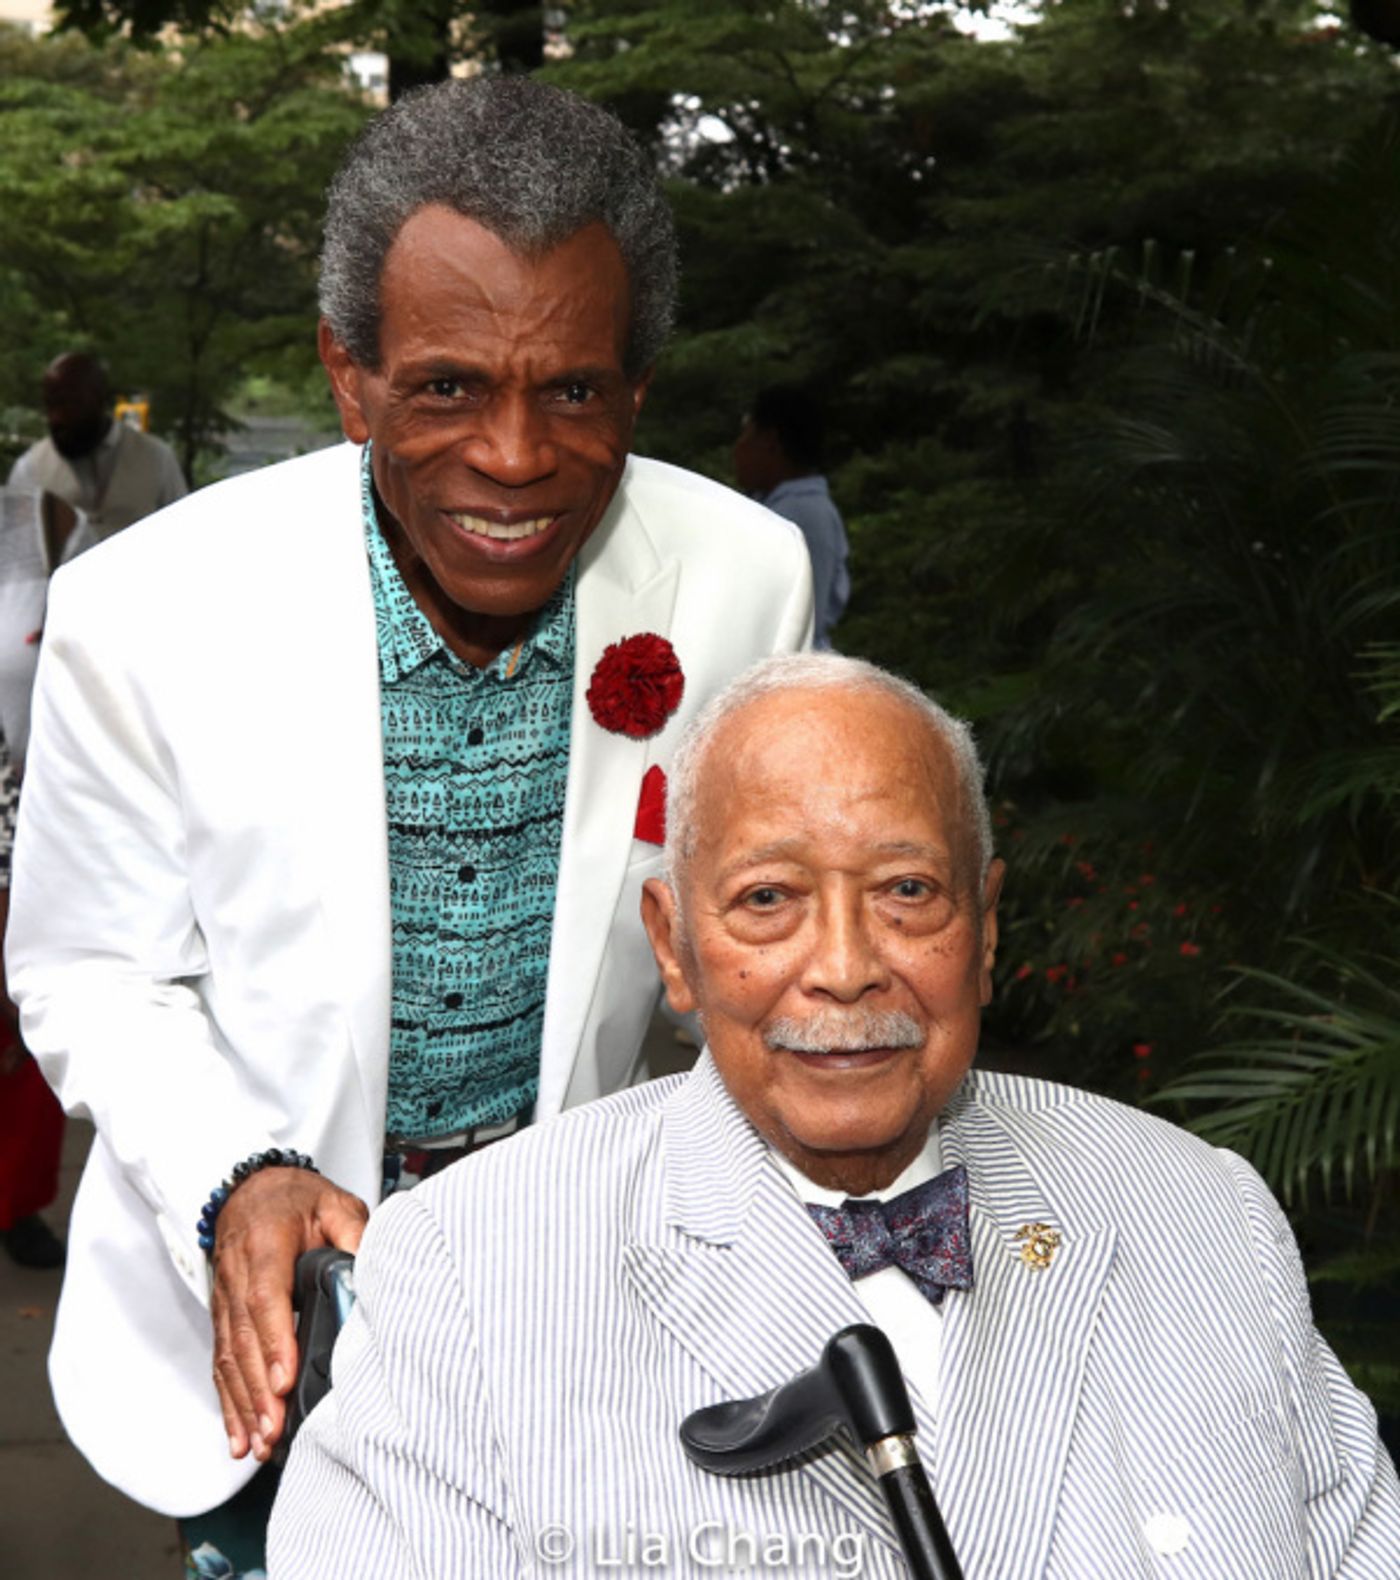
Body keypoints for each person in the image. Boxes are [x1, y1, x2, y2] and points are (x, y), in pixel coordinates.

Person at [6, 74, 811, 1571]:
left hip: (590, 1320)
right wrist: (237, 1175)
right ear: (349, 375)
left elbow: (743, 940)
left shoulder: (746, 582)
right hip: (270, 1355)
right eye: (445, 386)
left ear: (637, 388)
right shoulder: (142, 613)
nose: (512, 456)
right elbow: (88, 969)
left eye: (573, 391)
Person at [269, 652, 1399, 1579]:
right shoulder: (472, 1268)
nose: (847, 968)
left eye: (907, 891)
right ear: (673, 945)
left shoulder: (1201, 1215)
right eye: (768, 899)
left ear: (986, 925)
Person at [7, 351, 187, 541]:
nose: (57, 417)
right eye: (50, 405)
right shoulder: (30, 469)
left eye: (70, 403)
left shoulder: (156, 458)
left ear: (99, 398)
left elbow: (185, 533)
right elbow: (14, 546)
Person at [734, 385, 850, 649]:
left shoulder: (800, 514)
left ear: (770, 442)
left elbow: (799, 621)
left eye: (746, 434)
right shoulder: (783, 506)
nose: (738, 448)